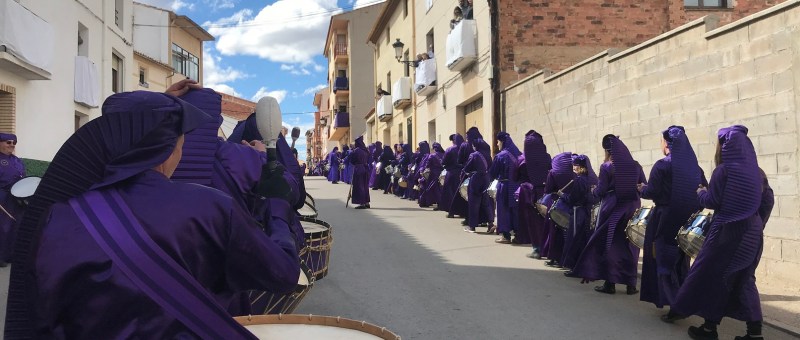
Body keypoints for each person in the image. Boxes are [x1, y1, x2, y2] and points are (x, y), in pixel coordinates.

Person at [6, 91, 300, 339]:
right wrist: (277, 207)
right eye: (181, 143)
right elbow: (284, 274)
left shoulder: (56, 217)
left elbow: (40, 317)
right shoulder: (212, 208)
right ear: (167, 149)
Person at [664, 126, 772, 340]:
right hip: (752, 232)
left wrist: (701, 192)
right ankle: (754, 333)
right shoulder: (758, 173)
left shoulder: (724, 170)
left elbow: (712, 201)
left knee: (708, 274)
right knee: (744, 278)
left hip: (726, 232)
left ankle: (707, 328)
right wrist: (758, 224)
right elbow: (768, 200)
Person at [637, 126, 705, 311]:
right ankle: (684, 297)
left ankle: (674, 303)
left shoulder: (662, 165)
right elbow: (702, 191)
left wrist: (642, 189)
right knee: (681, 260)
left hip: (664, 217)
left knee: (661, 257)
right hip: (686, 219)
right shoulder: (695, 167)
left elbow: (652, 192)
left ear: (666, 143)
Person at [571, 134, 645, 295]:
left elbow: (601, 190)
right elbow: (642, 184)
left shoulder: (607, 167)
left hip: (613, 207)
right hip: (632, 206)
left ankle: (610, 283)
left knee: (610, 244)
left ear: (607, 151)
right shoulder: (636, 165)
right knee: (630, 244)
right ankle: (631, 284)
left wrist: (594, 191)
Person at [560, 154, 598, 271]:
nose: (573, 167)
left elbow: (573, 199)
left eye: (575, 165)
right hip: (591, 212)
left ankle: (575, 266)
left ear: (581, 167)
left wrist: (562, 195)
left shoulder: (580, 180)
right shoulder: (594, 179)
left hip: (579, 213)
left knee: (576, 239)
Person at [520, 130, 551, 259]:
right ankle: (547, 248)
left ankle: (537, 249)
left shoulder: (523, 161)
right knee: (545, 222)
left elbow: (516, 176)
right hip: (545, 193)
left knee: (533, 223)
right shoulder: (547, 157)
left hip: (529, 194)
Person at [541, 152, 576, 266]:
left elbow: (548, 189)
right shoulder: (574, 172)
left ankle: (555, 258)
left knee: (555, 232)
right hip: (572, 204)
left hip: (557, 205)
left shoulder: (553, 172)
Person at [489, 132, 522, 244]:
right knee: (515, 211)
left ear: (502, 141)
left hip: (504, 186)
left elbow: (493, 173)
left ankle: (506, 236)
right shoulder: (518, 154)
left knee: (503, 211)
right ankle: (518, 235)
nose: (497, 144)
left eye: (498, 142)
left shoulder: (500, 156)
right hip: (516, 186)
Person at [0, 132, 25, 267]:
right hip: (2, 197)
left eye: (14, 143)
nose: (12, 145)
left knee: (16, 225)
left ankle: (12, 255)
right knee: (3, 226)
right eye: (8, 142)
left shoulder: (17, 161)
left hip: (17, 198)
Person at [462, 138, 495, 233]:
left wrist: (465, 172)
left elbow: (467, 168)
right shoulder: (488, 155)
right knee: (486, 202)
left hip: (476, 179)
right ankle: (490, 223)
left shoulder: (474, 155)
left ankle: (472, 226)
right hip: (486, 179)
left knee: (474, 203)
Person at [440, 134, 467, 218]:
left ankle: (451, 211)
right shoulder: (465, 148)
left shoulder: (450, 149)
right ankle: (462, 211)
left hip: (451, 173)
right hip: (462, 173)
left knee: (450, 193)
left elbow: (444, 161)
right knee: (461, 193)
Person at [418, 142, 444, 209]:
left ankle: (439, 204)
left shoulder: (432, 156)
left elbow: (427, 165)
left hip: (433, 175)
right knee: (441, 189)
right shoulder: (444, 154)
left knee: (434, 189)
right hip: (442, 174)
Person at [349, 136, 371, 209]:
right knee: (365, 186)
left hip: (358, 169)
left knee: (359, 186)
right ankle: (366, 202)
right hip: (365, 168)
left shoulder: (356, 151)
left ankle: (362, 203)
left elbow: (352, 160)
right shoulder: (366, 150)